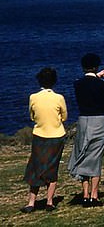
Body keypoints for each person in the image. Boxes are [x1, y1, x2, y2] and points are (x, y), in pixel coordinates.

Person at [68, 53, 104, 208]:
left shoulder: (77, 84)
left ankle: (85, 194)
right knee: (95, 158)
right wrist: (98, 78)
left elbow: (86, 81)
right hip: (98, 121)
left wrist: (95, 76)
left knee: (83, 155)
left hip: (83, 121)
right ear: (96, 67)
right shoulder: (101, 84)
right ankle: (94, 195)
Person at [21, 67, 68, 213]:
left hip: (40, 135)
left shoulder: (33, 97)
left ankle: (31, 202)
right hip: (57, 135)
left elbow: (32, 116)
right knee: (52, 168)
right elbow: (65, 116)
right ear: (54, 81)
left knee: (35, 168)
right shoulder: (59, 98)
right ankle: (49, 201)